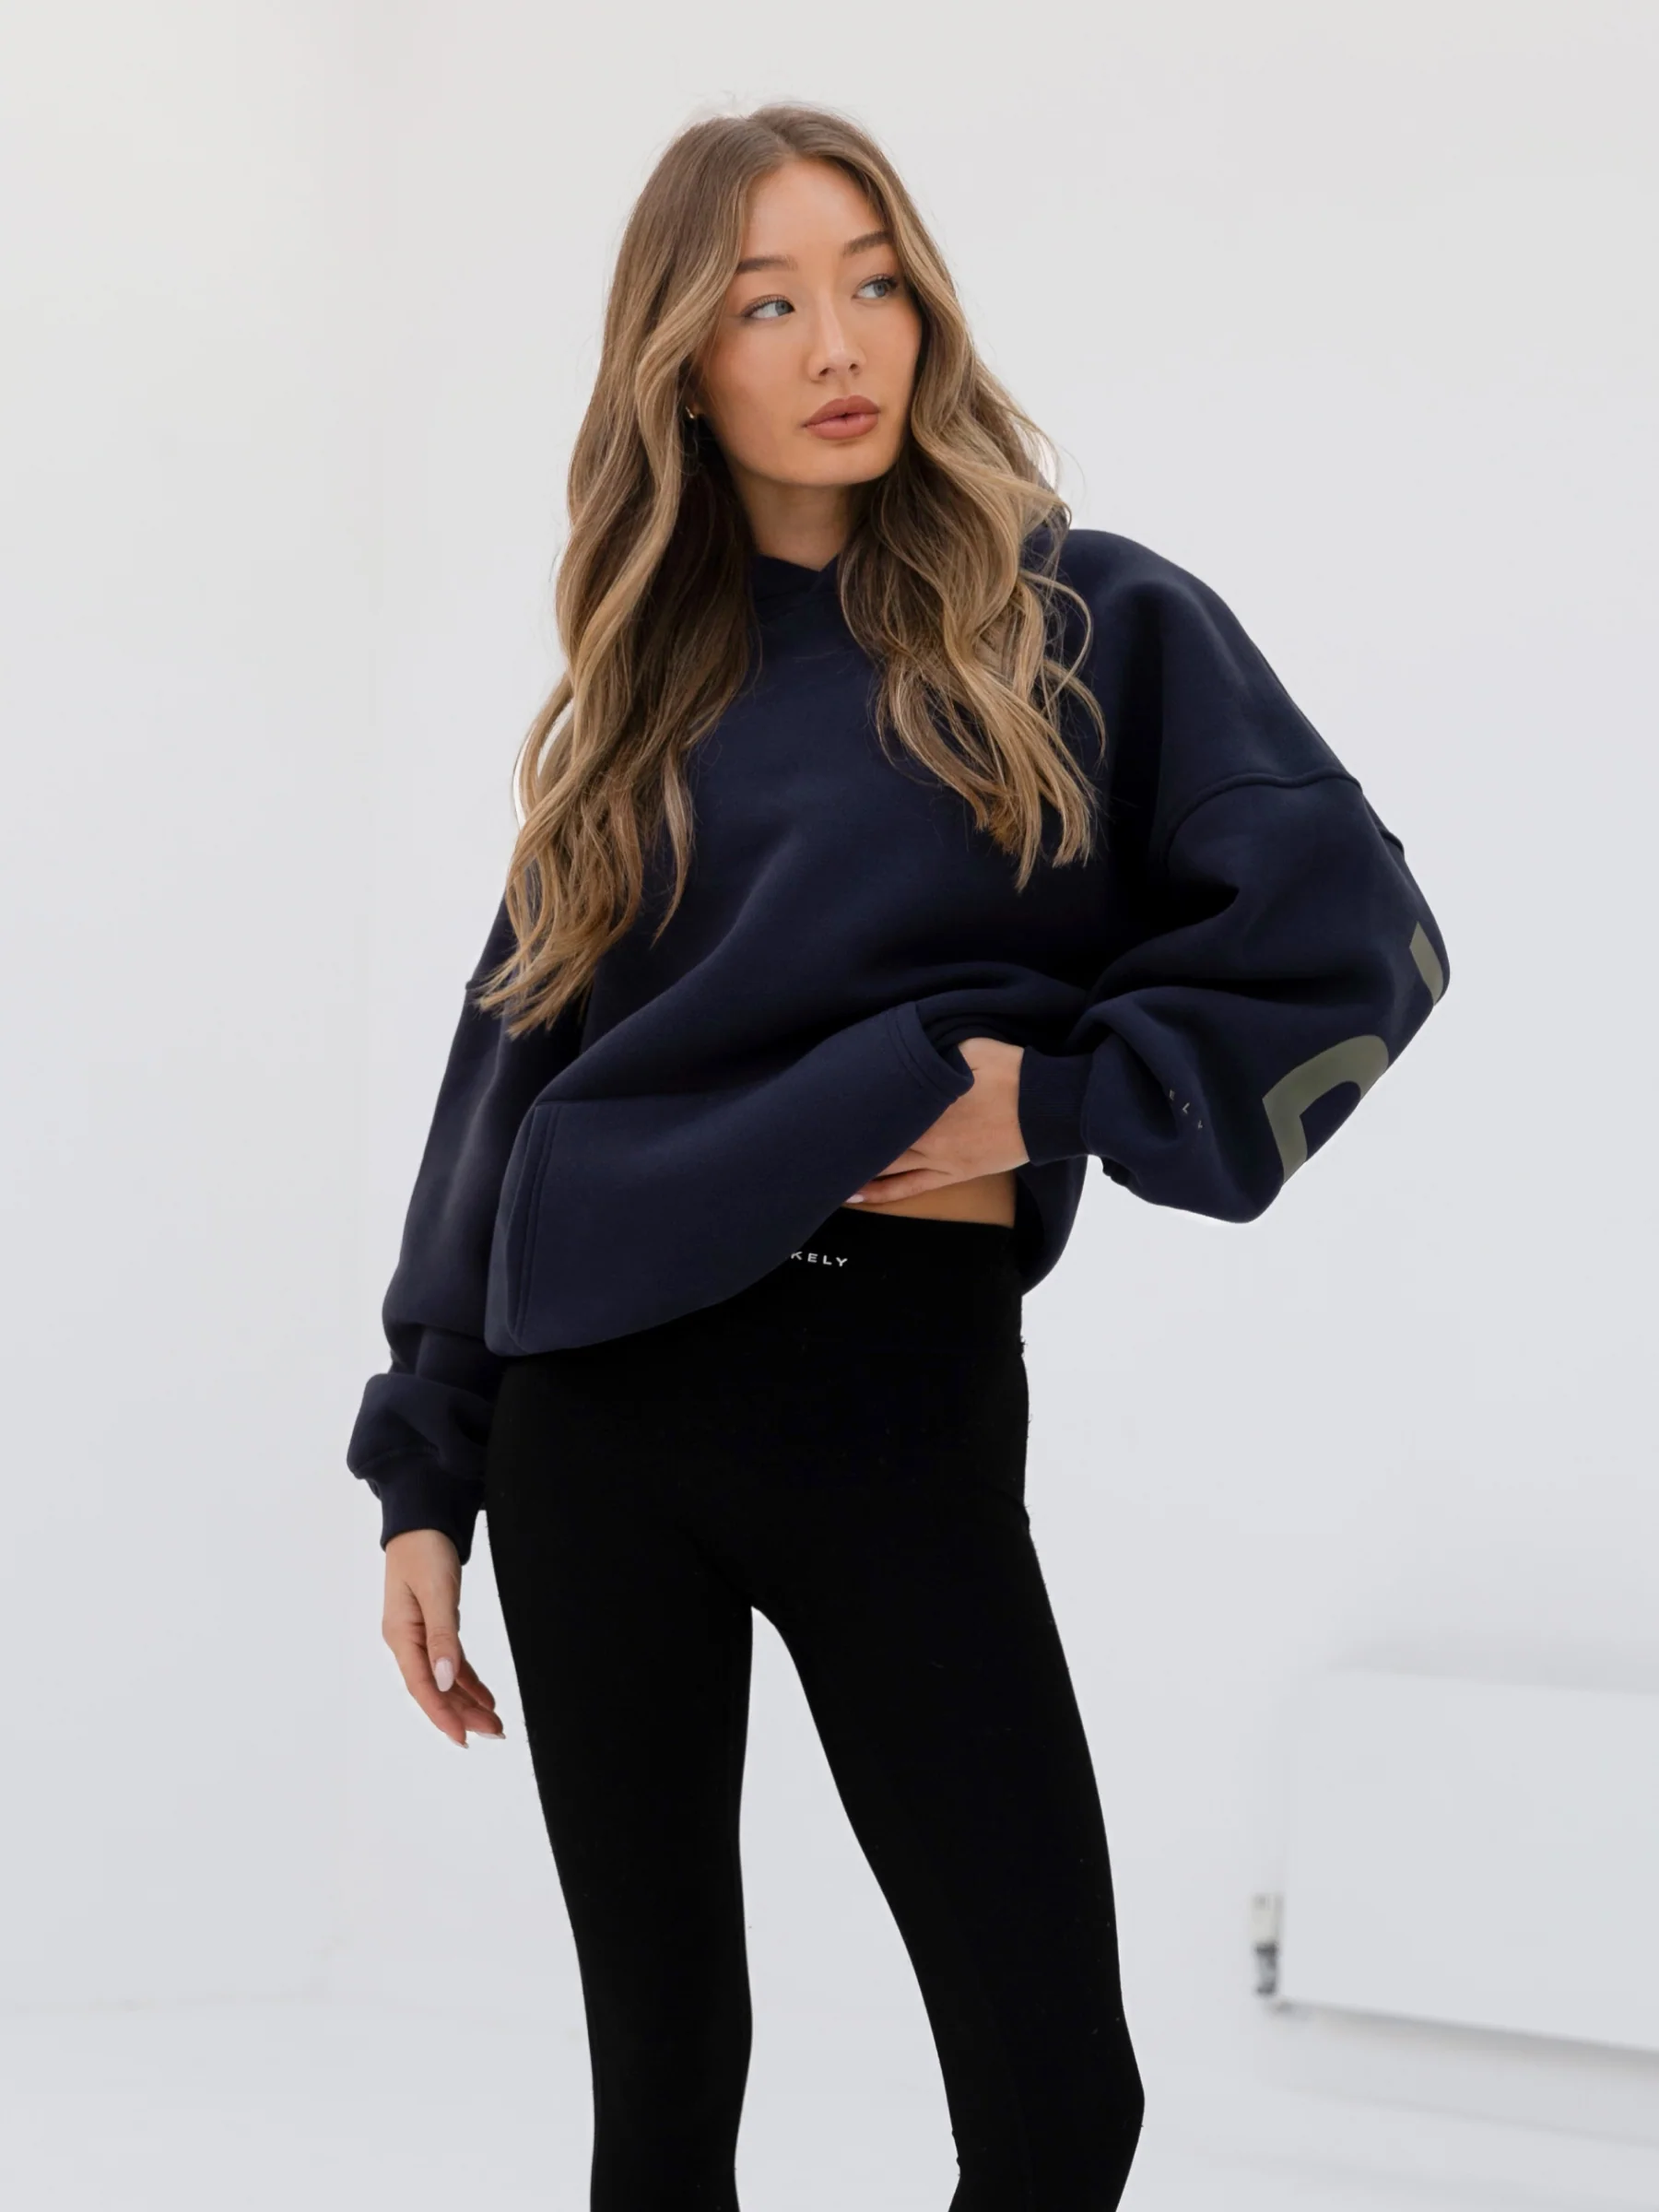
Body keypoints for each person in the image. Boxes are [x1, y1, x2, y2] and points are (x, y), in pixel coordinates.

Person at [346, 102, 1448, 2212]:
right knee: (664, 2097)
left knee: (1058, 2103)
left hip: (889, 1391)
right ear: (686, 362)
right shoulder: (636, 706)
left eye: (873, 282)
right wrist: (425, 1469)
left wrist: (1053, 1100)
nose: (839, 341)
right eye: (767, 302)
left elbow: (1358, 940)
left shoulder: (1089, 624)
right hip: (598, 1425)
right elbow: (505, 1090)